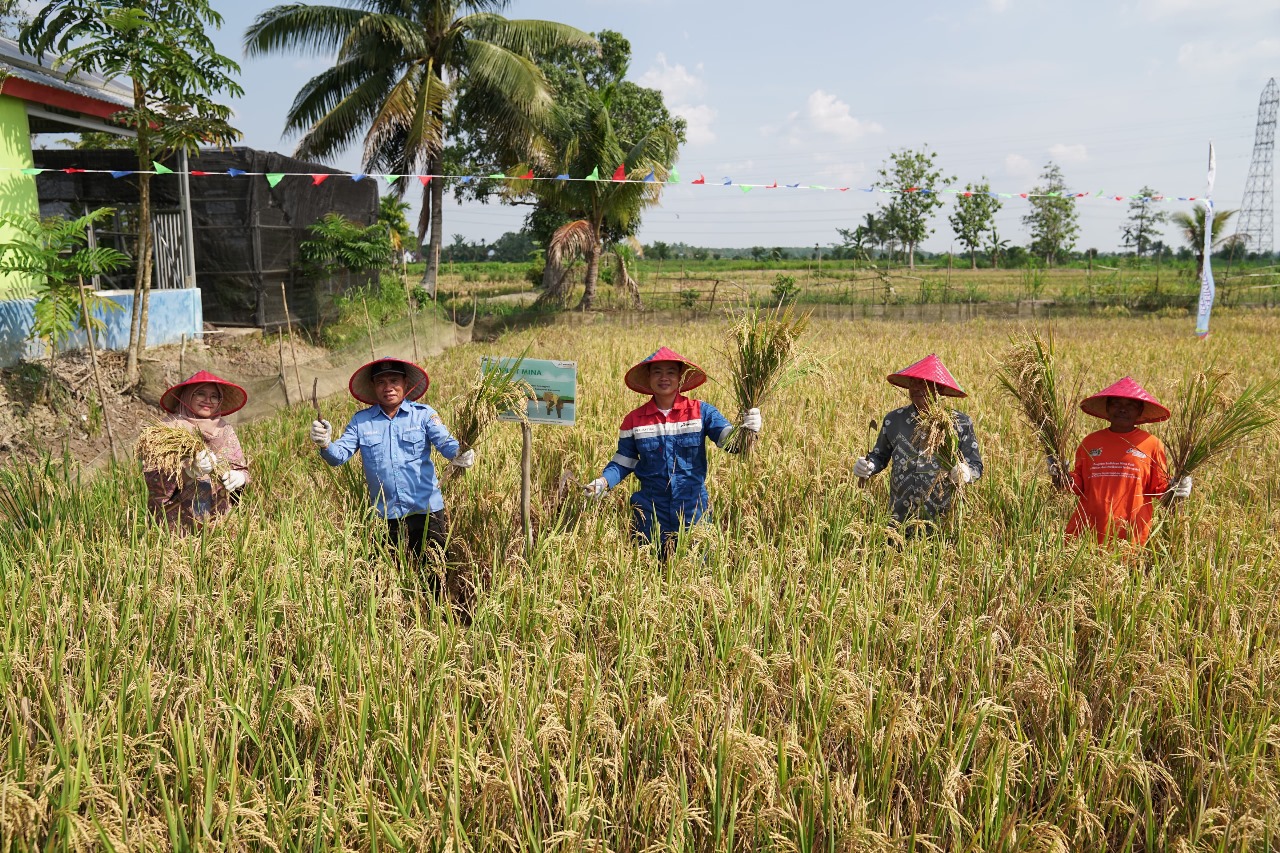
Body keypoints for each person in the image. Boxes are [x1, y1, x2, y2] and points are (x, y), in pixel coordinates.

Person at [309, 358, 475, 586]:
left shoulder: (424, 415)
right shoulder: (361, 421)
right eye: (381, 382)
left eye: (394, 381)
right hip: (386, 516)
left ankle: (437, 616)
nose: (388, 387)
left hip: (425, 511)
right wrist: (325, 443)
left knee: (435, 577)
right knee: (390, 580)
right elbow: (338, 456)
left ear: (406, 384)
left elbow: (446, 443)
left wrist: (460, 452)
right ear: (373, 387)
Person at [583, 347, 761, 557]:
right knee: (648, 573)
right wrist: (603, 482)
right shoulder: (634, 420)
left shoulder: (701, 412)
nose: (664, 377)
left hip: (693, 508)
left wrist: (748, 430)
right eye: (657, 372)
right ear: (649, 377)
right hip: (650, 511)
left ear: (680, 377)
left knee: (696, 572)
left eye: (670, 372)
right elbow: (624, 461)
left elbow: (731, 443)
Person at [1054, 377, 1191, 545]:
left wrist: (1178, 487)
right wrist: (1061, 476)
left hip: (1131, 535)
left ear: (1140, 411)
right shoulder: (1090, 442)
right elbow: (1079, 485)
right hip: (1086, 534)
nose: (1122, 409)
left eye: (1131, 405)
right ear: (1107, 408)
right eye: (1116, 404)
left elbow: (1160, 489)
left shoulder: (1151, 444)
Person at [854, 354, 983, 525]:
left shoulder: (959, 423)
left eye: (924, 383)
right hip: (898, 518)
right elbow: (880, 456)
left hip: (941, 520)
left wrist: (965, 473)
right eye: (913, 383)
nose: (916, 388)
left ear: (940, 389)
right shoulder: (894, 420)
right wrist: (869, 465)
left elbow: (976, 465)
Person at [143, 370, 251, 531]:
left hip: (219, 520)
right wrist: (189, 472)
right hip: (176, 524)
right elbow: (153, 477)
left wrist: (240, 477)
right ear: (187, 396)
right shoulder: (167, 430)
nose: (208, 400)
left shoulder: (224, 430)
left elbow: (239, 466)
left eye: (214, 396)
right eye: (200, 394)